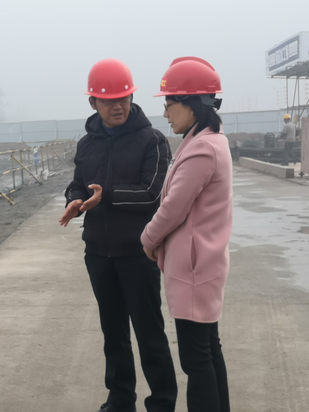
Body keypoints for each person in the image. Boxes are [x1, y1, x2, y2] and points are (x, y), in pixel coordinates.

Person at [59, 58, 177, 412]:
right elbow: (79, 184)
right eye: (108, 100)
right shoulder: (86, 144)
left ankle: (162, 403)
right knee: (113, 333)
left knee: (149, 331)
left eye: (123, 98)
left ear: (132, 98)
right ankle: (120, 398)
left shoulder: (152, 141)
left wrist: (105, 196)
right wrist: (74, 200)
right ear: (93, 102)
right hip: (98, 252)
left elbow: (152, 194)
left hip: (138, 253)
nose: (118, 106)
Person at [140, 57, 232, 412]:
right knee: (208, 350)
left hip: (194, 269)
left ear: (192, 104)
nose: (165, 113)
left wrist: (148, 239)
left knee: (196, 359)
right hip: (203, 264)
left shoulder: (202, 149)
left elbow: (173, 207)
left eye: (169, 103)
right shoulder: (210, 140)